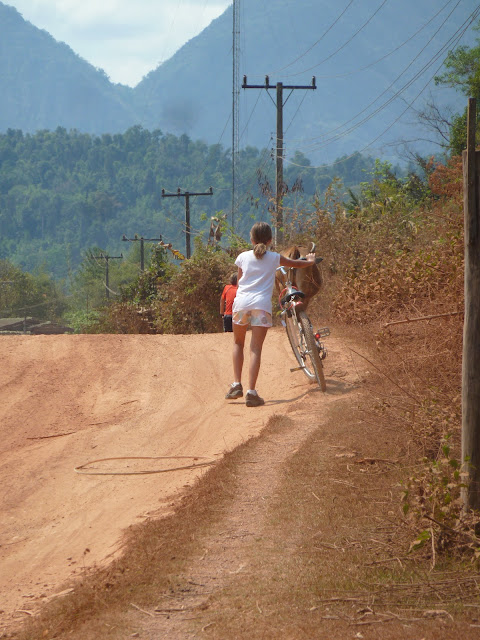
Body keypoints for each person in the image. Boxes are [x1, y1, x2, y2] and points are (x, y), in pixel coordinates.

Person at [225, 221, 316, 407]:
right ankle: (251, 392)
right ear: (270, 240)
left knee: (238, 343)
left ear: (251, 240)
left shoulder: (242, 257)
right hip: (261, 305)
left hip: (241, 304)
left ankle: (236, 384)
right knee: (255, 349)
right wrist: (311, 260)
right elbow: (297, 264)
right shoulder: (274, 258)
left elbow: (240, 282)